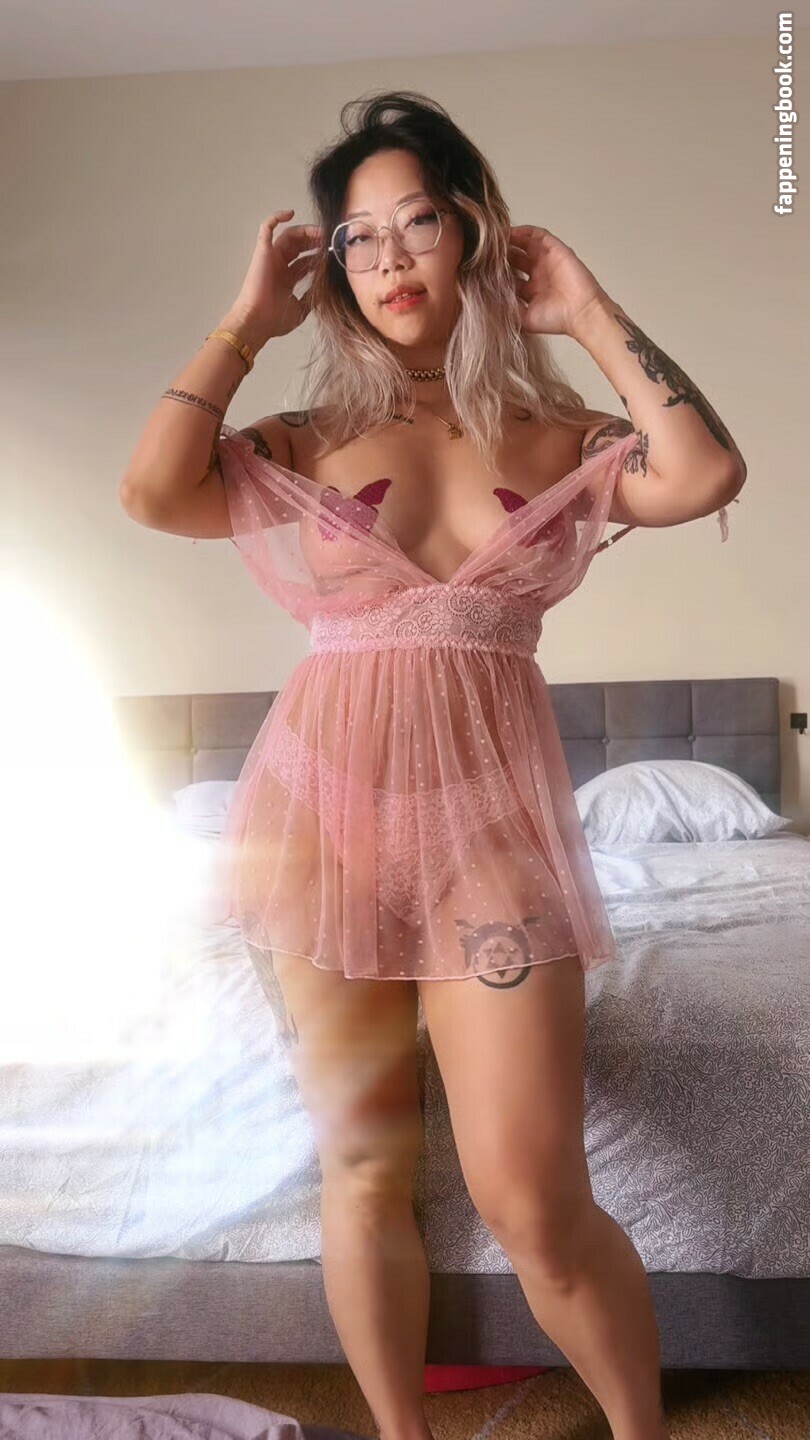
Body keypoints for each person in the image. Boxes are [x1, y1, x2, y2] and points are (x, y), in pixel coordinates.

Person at [120, 90, 744, 1440]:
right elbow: (154, 491)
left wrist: (587, 311)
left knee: (535, 1201)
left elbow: (702, 474)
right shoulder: (301, 437)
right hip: (319, 835)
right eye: (357, 238)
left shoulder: (557, 434)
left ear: (471, 231)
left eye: (416, 222)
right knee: (360, 1173)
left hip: (490, 849)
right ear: (332, 268)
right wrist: (244, 324)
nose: (389, 257)